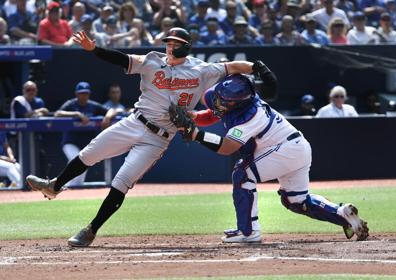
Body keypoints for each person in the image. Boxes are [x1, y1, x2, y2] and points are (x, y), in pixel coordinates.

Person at [26, 27, 261, 247]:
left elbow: (233, 66)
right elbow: (121, 58)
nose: (170, 47)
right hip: (134, 122)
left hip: (158, 138)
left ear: (186, 46)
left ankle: (90, 230)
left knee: (122, 181)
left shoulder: (202, 70)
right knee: (89, 153)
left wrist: (257, 67)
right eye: (168, 42)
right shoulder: (152, 61)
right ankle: (54, 186)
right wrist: (94, 50)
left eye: (175, 43)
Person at [171, 72, 369, 243]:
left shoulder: (252, 115)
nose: (220, 102)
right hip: (295, 148)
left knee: (242, 174)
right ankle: (342, 214)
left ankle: (248, 232)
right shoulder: (230, 99)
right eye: (221, 97)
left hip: (285, 150)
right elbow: (215, 113)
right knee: (296, 202)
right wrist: (194, 116)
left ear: (241, 101)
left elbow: (227, 147)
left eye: (227, 100)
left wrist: (196, 134)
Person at [54, 81, 117, 187]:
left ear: (89, 94)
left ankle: (70, 188)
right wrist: (76, 114)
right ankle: (69, 187)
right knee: (76, 160)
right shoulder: (71, 104)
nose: (84, 95)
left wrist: (107, 117)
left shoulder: (92, 105)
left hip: (86, 143)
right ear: (76, 94)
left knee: (81, 166)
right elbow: (57, 114)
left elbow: (112, 110)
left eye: (86, 93)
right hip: (70, 142)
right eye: (81, 93)